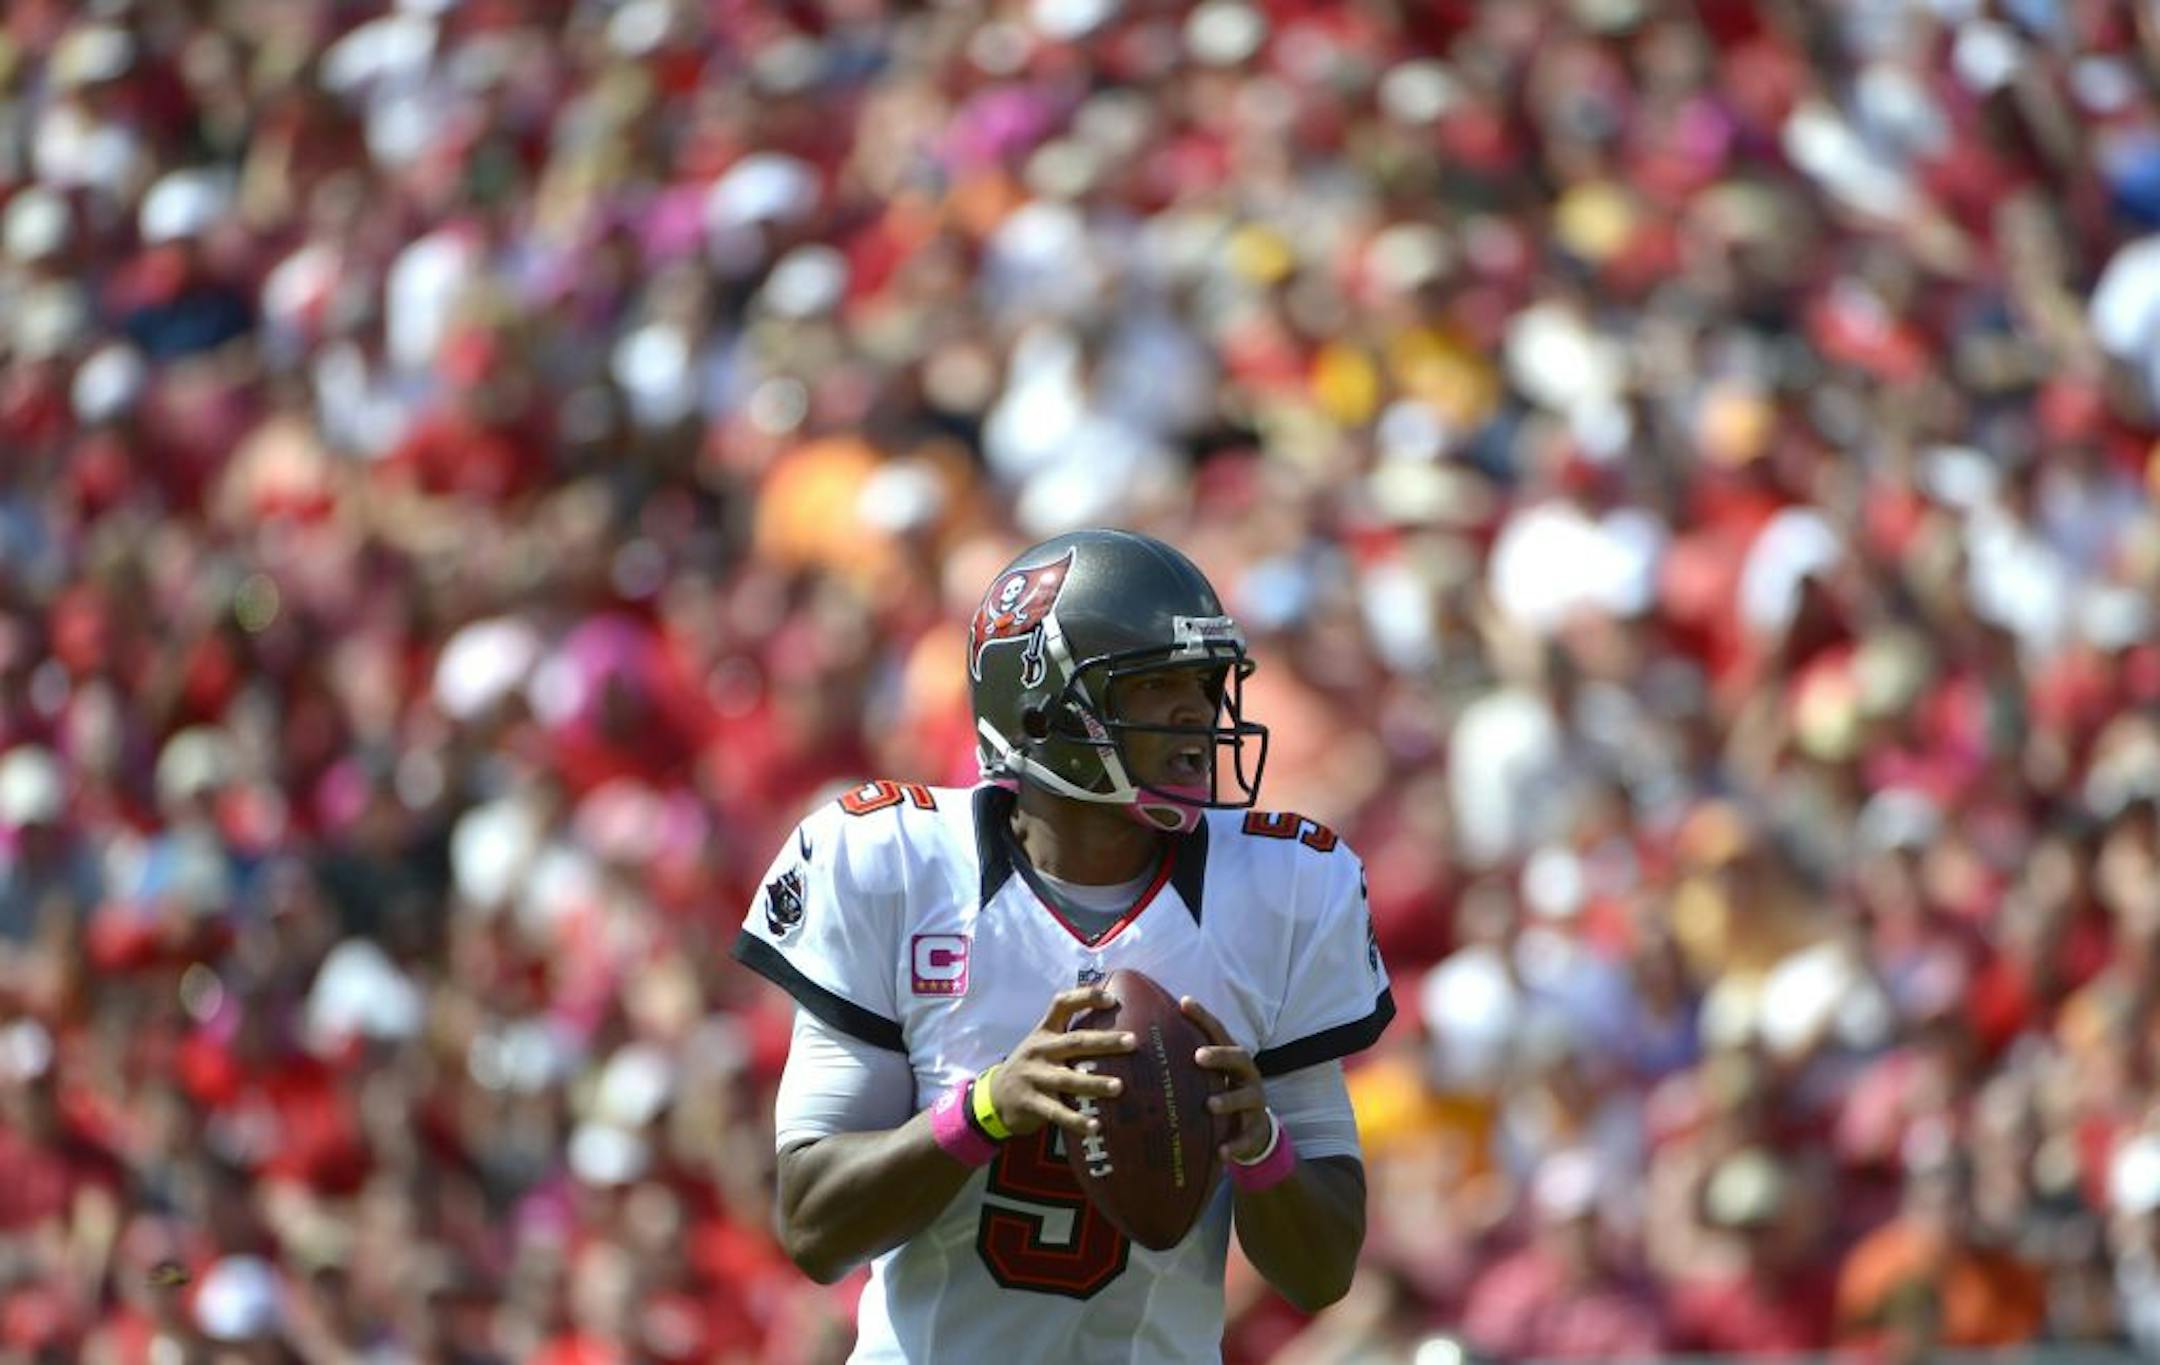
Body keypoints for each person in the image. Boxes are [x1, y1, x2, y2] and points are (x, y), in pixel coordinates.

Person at [733, 528, 1394, 1362]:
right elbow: (815, 1227)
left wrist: (1260, 1144)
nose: (1196, 715)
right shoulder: (890, 862)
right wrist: (984, 1109)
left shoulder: (1285, 887)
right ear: (1039, 705)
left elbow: (1323, 1269)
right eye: (1155, 686)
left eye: (1203, 684)